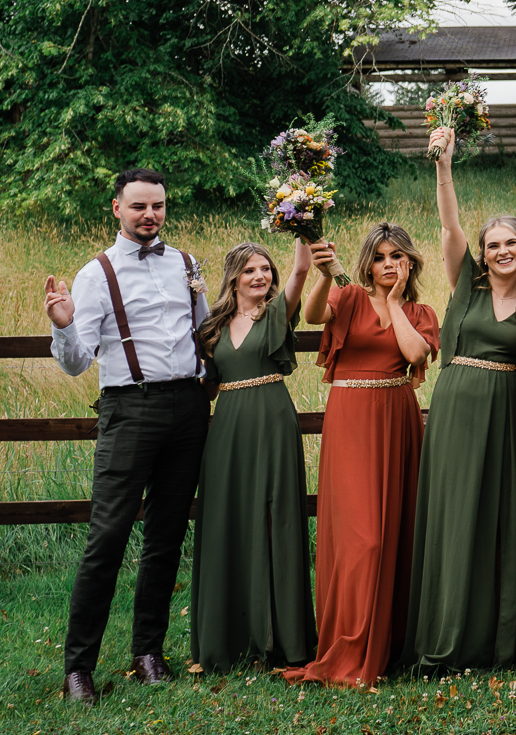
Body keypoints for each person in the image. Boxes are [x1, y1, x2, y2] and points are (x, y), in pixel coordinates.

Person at [44, 167, 210, 704]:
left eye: (157, 206)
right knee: (108, 536)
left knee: (166, 536)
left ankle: (148, 653)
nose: (149, 215)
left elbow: (204, 332)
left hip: (187, 408)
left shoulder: (187, 264)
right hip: (129, 409)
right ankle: (78, 670)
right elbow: (74, 364)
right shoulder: (97, 273)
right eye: (139, 206)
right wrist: (64, 324)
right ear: (117, 208)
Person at [404, 125, 516, 674]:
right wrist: (444, 165)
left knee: (500, 519)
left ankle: (496, 641)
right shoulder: (466, 284)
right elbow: (449, 223)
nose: (501, 251)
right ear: (482, 254)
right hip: (458, 407)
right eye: (493, 245)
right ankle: (445, 636)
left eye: (510, 243)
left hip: (510, 413)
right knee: (457, 518)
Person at [283, 225, 439, 687]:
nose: (388, 264)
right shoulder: (348, 298)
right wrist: (326, 275)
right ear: (367, 263)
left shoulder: (419, 312)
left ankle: (388, 645)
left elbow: (414, 352)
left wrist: (393, 304)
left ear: (409, 262)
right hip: (351, 420)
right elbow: (312, 316)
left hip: (398, 421)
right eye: (379, 257)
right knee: (362, 539)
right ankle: (348, 647)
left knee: (395, 532)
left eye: (397, 257)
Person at [191, 239, 318, 672]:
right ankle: (231, 635)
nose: (260, 276)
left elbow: (301, 269)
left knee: (276, 518)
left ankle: (283, 637)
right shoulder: (212, 327)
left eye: (265, 269)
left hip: (273, 421)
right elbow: (205, 382)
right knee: (232, 518)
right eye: (250, 271)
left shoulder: (277, 314)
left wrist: (301, 209)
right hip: (228, 428)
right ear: (234, 278)